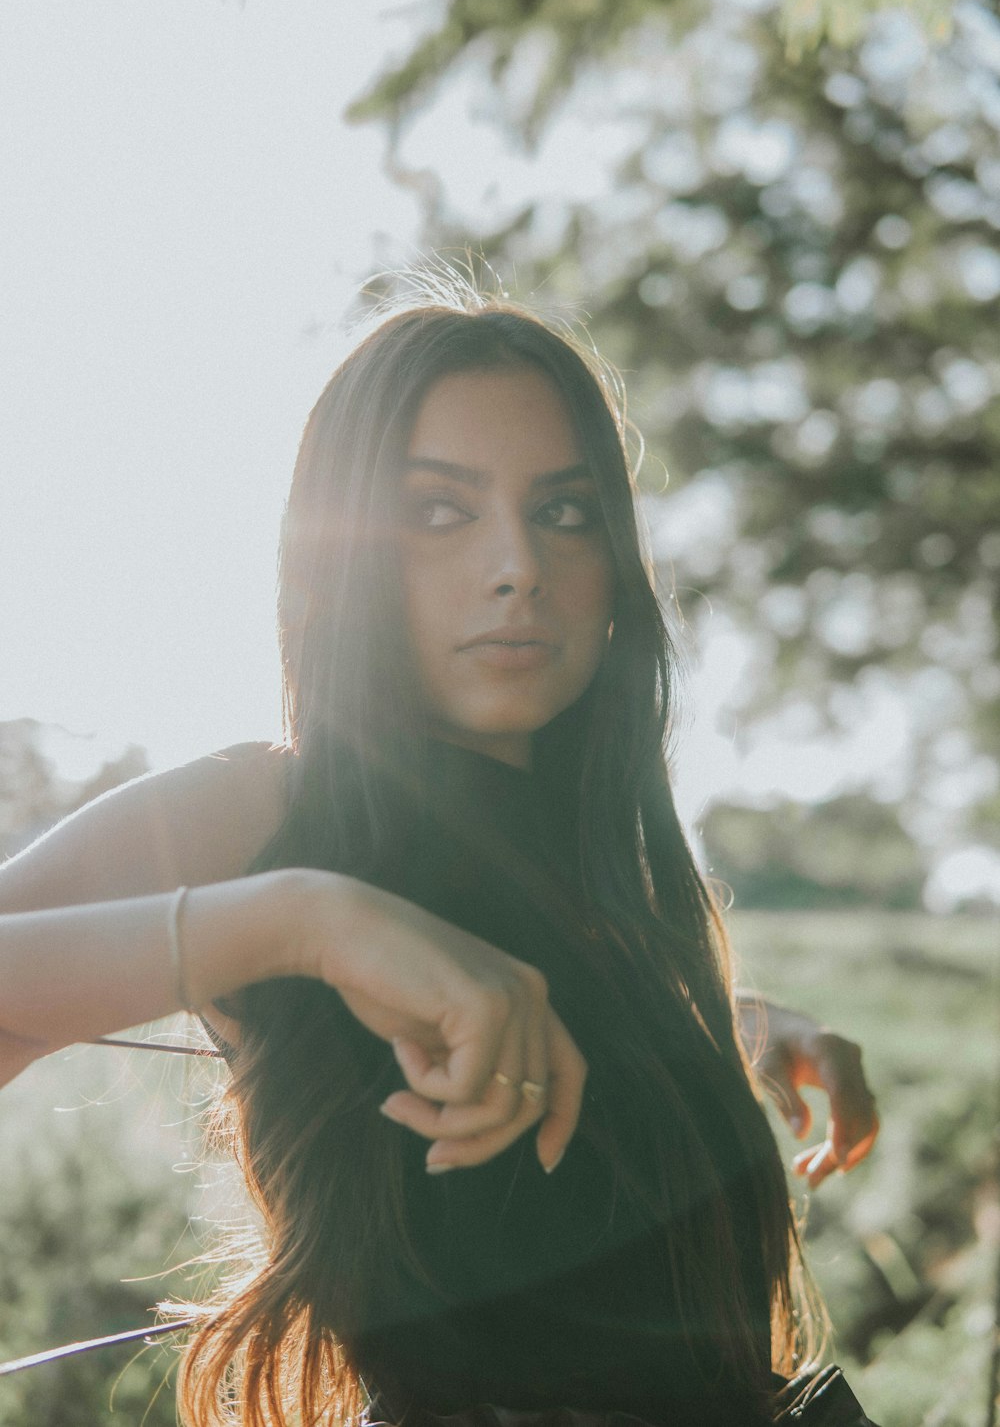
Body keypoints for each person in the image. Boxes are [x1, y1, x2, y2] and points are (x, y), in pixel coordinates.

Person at [0, 288, 879, 1426]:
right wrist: (299, 921)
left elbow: (518, 999)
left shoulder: (586, 844)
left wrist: (720, 1019)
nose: (518, 566)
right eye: (437, 512)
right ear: (341, 551)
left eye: (564, 513)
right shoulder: (262, 807)